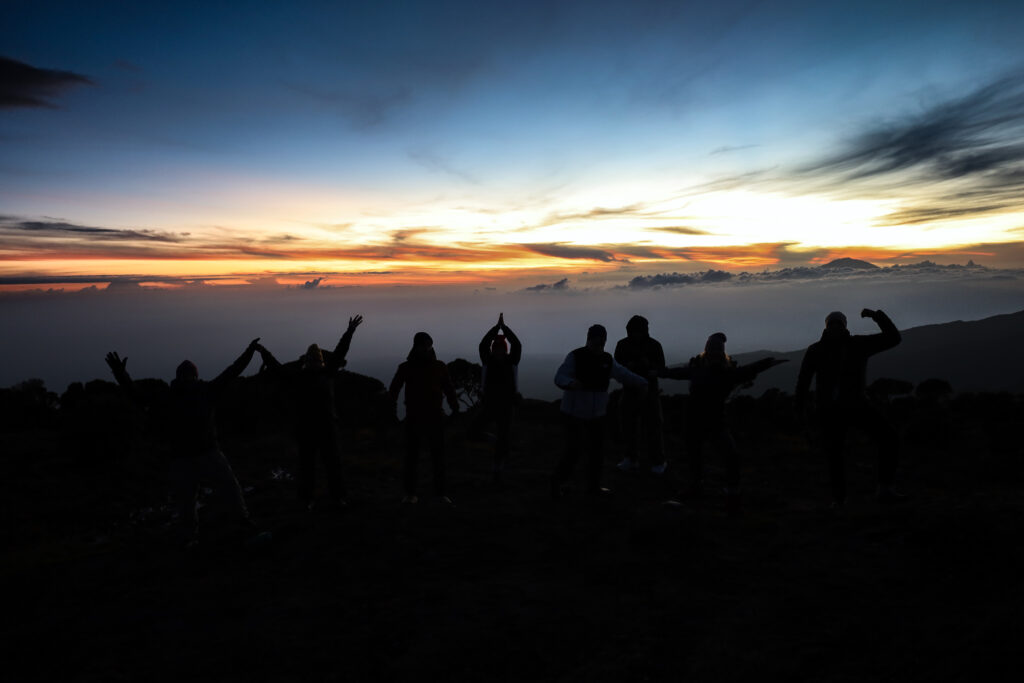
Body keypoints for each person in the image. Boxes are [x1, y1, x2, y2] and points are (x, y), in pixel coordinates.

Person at [105, 339, 266, 546]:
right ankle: (225, 532)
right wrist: (250, 351)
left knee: (197, 501)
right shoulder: (204, 391)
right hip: (202, 455)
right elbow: (232, 371)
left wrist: (121, 374)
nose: (189, 379)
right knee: (217, 495)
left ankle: (194, 539)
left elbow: (137, 396)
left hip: (187, 458)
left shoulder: (173, 396)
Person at [661, 333, 784, 512]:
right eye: (712, 350)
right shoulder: (709, 370)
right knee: (702, 455)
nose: (714, 353)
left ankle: (726, 492)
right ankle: (707, 488)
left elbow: (747, 371)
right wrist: (659, 372)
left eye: (717, 350)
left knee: (728, 456)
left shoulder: (716, 371)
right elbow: (677, 373)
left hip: (710, 421)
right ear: (707, 351)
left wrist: (766, 363)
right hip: (698, 420)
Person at [796, 308, 903, 506]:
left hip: (832, 410)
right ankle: (881, 490)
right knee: (886, 439)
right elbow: (893, 338)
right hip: (853, 407)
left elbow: (803, 384)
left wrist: (801, 414)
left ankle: (842, 500)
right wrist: (876, 316)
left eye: (837, 323)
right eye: (834, 323)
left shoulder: (817, 349)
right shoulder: (857, 345)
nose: (836, 327)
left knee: (836, 454)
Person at [256, 315, 362, 510]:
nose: (314, 362)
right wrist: (264, 352)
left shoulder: (301, 377)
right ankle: (328, 498)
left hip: (312, 427)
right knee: (322, 465)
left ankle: (313, 499)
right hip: (321, 427)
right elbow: (339, 353)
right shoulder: (324, 374)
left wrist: (349, 332)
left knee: (318, 465)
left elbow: (278, 369)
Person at [551, 324, 647, 499]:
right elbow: (560, 376)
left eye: (602, 338)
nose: (599, 342)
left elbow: (624, 374)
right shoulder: (576, 356)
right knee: (573, 451)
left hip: (597, 415)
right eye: (596, 338)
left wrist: (643, 382)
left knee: (597, 452)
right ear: (589, 338)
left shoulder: (607, 360)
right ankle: (558, 484)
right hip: (574, 414)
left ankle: (593, 487)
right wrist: (571, 384)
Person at [389, 332, 460, 505]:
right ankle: (412, 493)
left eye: (428, 345)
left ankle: (439, 493)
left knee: (437, 456)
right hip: (415, 417)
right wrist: (391, 412)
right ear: (417, 346)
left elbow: (449, 389)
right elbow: (393, 391)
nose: (427, 348)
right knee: (413, 457)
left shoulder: (438, 367)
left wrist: (455, 408)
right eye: (424, 345)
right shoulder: (406, 367)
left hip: (434, 416)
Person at [613, 315, 667, 474]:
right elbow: (616, 366)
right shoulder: (622, 345)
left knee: (653, 427)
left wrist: (649, 366)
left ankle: (658, 460)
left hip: (649, 391)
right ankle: (631, 458)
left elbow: (661, 368)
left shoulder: (654, 345)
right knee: (628, 426)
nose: (635, 334)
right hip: (629, 390)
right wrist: (627, 366)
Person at [475, 312, 522, 484]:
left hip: (507, 405)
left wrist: (504, 329)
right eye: (496, 349)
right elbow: (483, 345)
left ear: (505, 350)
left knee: (503, 439)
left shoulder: (512, 361)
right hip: (490, 404)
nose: (499, 352)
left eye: (501, 349)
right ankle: (494, 441)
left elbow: (516, 344)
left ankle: (497, 470)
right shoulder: (488, 360)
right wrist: (497, 329)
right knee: (473, 432)